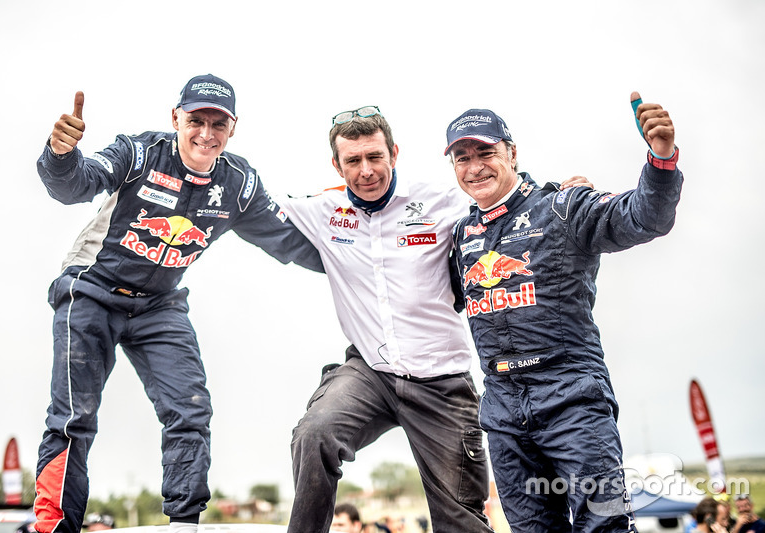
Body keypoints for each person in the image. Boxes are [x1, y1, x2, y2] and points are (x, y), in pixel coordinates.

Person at [33, 74, 323, 533]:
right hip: (90, 291)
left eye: (218, 124)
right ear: (175, 119)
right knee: (74, 416)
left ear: (233, 129)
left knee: (190, 410)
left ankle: (184, 524)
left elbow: (290, 242)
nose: (206, 134)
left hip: (159, 306)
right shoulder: (139, 153)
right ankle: (55, 528)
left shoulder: (239, 184)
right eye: (196, 121)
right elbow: (75, 186)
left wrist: (365, 260)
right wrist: (62, 156)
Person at [277, 106, 589, 533]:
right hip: (370, 371)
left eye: (374, 157)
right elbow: (253, 211)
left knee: (460, 522)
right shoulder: (321, 209)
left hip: (442, 383)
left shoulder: (442, 201)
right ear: (337, 165)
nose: (366, 170)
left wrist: (557, 192)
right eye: (353, 161)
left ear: (394, 154)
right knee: (315, 431)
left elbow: (503, 195)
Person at [446, 92, 683, 532]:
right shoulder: (460, 236)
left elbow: (645, 218)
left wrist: (661, 158)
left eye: (485, 152)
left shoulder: (563, 207)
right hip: (502, 410)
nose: (474, 165)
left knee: (605, 526)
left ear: (511, 153)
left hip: (572, 400)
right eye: (462, 157)